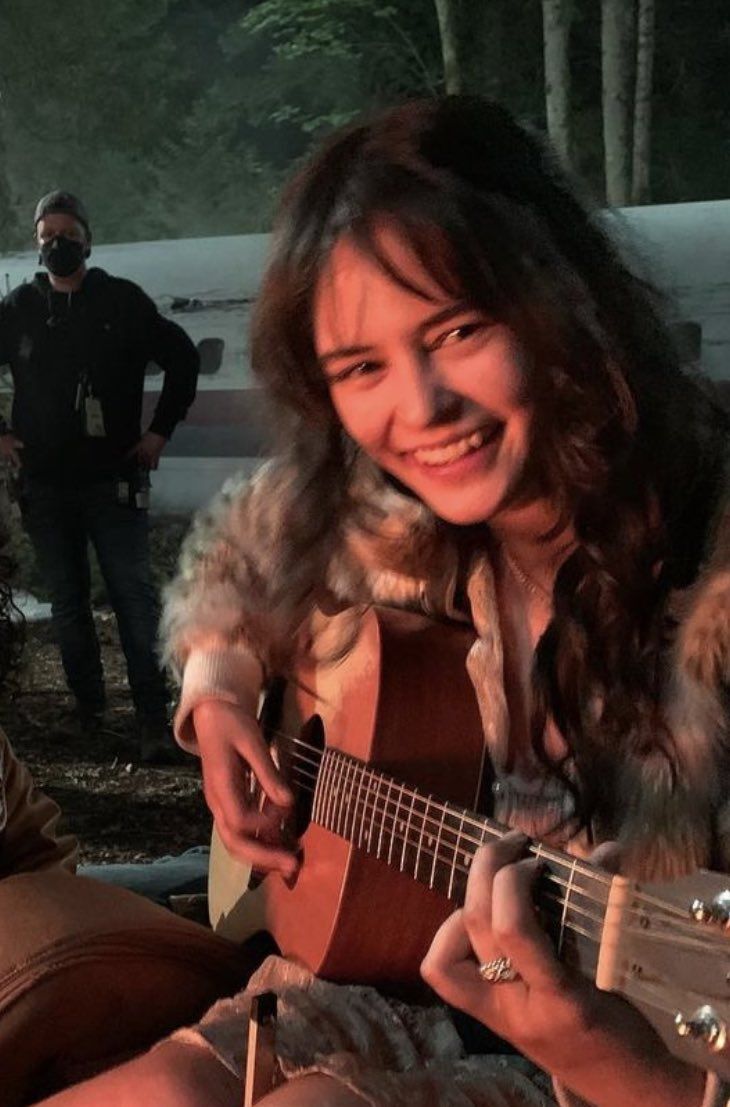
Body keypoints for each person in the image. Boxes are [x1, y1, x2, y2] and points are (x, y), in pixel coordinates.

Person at [34, 97, 730, 1106]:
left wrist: (601, 1059)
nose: (420, 408)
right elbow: (242, 550)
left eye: (456, 330)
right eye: (361, 368)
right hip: (373, 974)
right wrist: (221, 692)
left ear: (563, 299)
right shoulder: (391, 511)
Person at [0, 191, 200, 762]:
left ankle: (151, 721)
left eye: (66, 234)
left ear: (88, 239)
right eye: (46, 237)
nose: (57, 245)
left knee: (133, 597)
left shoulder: (122, 303)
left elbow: (182, 359)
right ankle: (89, 716)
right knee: (67, 602)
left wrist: (159, 432)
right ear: (37, 246)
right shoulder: (19, 309)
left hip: (115, 478)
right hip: (44, 484)